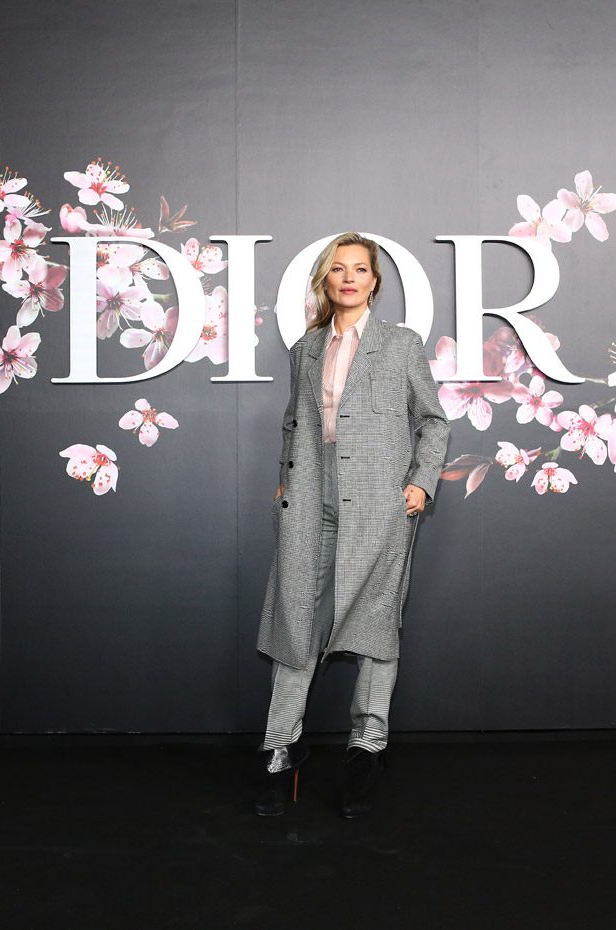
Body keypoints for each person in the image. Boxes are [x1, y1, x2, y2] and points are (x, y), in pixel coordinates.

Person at [255, 232, 450, 818]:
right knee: (296, 621)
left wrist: (420, 483)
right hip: (312, 504)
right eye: (338, 269)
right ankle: (281, 747)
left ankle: (367, 745)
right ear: (326, 279)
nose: (348, 278)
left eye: (359, 270)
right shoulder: (306, 349)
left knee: (375, 623)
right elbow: (296, 422)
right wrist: (287, 480)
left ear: (374, 282)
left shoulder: (400, 344)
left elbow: (434, 422)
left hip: (382, 504)